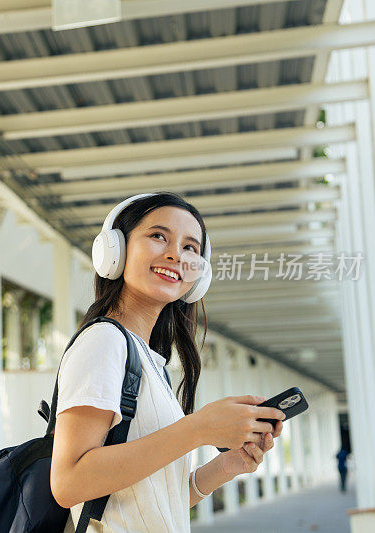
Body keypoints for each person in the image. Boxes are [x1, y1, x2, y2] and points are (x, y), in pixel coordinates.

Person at [50, 192, 287, 533]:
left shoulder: (150, 361)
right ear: (115, 251)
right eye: (158, 236)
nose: (176, 254)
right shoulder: (103, 342)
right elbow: (69, 483)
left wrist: (226, 466)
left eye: (191, 248)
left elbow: (148, 498)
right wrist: (200, 428)